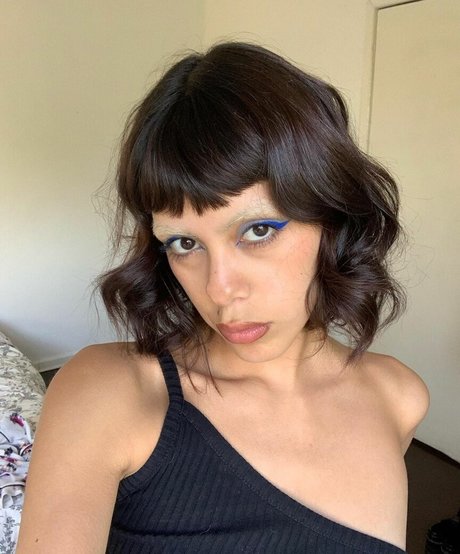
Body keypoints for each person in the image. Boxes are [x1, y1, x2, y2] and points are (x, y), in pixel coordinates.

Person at [17, 41, 429, 553]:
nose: (219, 290)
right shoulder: (113, 392)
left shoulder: (398, 398)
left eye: (258, 230)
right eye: (184, 243)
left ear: (333, 216)